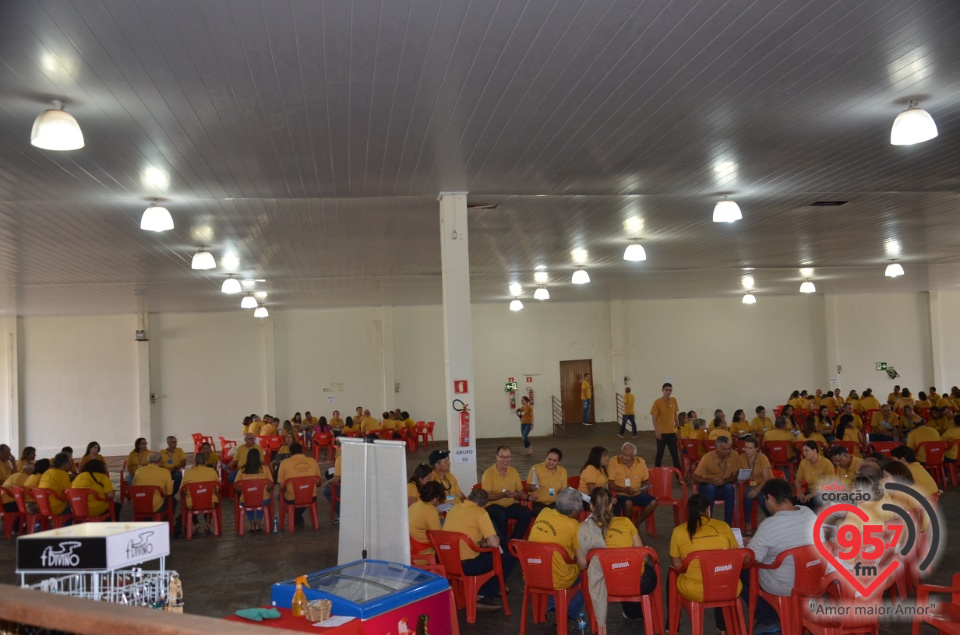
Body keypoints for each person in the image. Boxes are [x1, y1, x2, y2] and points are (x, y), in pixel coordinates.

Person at [577, 487, 656, 632]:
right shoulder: (626, 522)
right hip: (635, 582)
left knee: (615, 569)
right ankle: (637, 613)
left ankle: (626, 612)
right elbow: (643, 558)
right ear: (610, 505)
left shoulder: (583, 529)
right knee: (643, 570)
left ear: (591, 506)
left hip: (606, 583)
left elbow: (582, 564)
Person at [746, 479, 819, 634]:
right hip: (813, 578)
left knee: (741, 573)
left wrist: (748, 545)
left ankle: (769, 619)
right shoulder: (808, 513)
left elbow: (751, 559)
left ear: (770, 498)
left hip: (784, 585)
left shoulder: (769, 525)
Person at [669, 493, 741, 634]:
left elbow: (677, 565)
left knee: (671, 574)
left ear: (688, 511)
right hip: (728, 587)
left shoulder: (678, 531)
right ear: (708, 509)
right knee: (720, 571)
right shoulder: (724, 526)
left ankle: (671, 625)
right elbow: (736, 555)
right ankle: (723, 628)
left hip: (696, 590)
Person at [443, 488, 515, 610]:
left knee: (487, 557)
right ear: (485, 505)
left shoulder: (454, 509)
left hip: (448, 562)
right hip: (467, 565)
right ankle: (484, 595)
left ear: (469, 497)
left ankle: (490, 588)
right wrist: (487, 542)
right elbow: (494, 543)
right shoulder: (480, 513)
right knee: (509, 558)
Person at [529, 488, 584, 624]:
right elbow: (582, 563)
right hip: (557, 578)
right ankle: (567, 615)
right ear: (573, 512)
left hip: (532, 573)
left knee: (555, 565)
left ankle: (553, 609)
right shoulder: (574, 526)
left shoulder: (544, 512)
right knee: (591, 576)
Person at [482, 446, 534, 544]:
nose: (506, 460)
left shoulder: (513, 471)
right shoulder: (488, 474)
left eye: (508, 457)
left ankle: (513, 541)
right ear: (496, 457)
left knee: (527, 513)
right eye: (503, 457)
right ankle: (503, 543)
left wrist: (528, 497)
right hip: (493, 506)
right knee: (501, 515)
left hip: (510, 505)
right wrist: (503, 495)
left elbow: (520, 492)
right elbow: (486, 496)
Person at [607, 442, 657, 526]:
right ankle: (628, 526)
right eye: (623, 454)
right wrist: (625, 489)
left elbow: (646, 480)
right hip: (620, 495)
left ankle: (635, 525)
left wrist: (645, 486)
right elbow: (610, 484)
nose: (625, 457)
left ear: (634, 456)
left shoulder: (640, 461)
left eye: (628, 455)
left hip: (637, 494)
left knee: (653, 502)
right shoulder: (613, 461)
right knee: (628, 503)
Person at [693, 436, 737, 525]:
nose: (728, 451)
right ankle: (709, 522)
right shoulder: (707, 458)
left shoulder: (734, 455)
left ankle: (728, 523)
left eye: (729, 448)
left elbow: (735, 476)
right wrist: (711, 481)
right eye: (724, 449)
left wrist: (724, 480)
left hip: (723, 486)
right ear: (717, 448)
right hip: (707, 487)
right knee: (710, 488)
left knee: (729, 487)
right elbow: (695, 477)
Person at [276, 443, 321, 527]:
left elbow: (281, 486)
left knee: (281, 496)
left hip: (292, 497)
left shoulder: (284, 463)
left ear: (290, 452)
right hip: (310, 496)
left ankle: (296, 517)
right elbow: (318, 482)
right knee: (304, 496)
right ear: (302, 451)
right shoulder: (312, 461)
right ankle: (297, 518)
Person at [737, 435, 772, 535]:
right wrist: (740, 480)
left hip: (765, 484)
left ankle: (748, 522)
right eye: (745, 447)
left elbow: (767, 478)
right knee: (754, 494)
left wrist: (757, 490)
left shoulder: (762, 458)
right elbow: (739, 474)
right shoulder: (741, 458)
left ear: (756, 449)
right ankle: (770, 519)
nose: (747, 450)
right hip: (751, 484)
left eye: (750, 448)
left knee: (757, 494)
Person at [180, 451, 221, 535]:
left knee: (188, 499)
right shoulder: (212, 471)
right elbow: (217, 488)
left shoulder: (188, 473)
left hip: (192, 505)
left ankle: (196, 525)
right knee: (210, 496)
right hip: (210, 503)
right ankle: (208, 524)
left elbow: (182, 490)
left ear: (195, 462)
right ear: (206, 461)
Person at [236, 448, 272, 532]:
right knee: (263, 499)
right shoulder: (265, 468)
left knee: (246, 501)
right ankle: (259, 521)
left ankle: (252, 522)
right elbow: (270, 485)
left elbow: (236, 486)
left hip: (246, 500)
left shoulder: (242, 470)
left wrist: (246, 491)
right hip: (263, 500)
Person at [795, 440, 835, 509]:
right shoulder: (803, 463)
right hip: (810, 494)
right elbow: (797, 480)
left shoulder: (826, 463)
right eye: (803, 451)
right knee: (794, 502)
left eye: (806, 450)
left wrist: (813, 494)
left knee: (812, 506)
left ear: (815, 450)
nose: (804, 453)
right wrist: (800, 492)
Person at [526, 448, 567, 514]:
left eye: (554, 460)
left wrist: (563, 492)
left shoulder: (563, 471)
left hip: (554, 503)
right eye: (549, 459)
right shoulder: (536, 468)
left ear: (559, 462)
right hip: (538, 503)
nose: (551, 462)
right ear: (546, 458)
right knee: (547, 515)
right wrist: (531, 487)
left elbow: (563, 489)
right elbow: (528, 487)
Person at [650, 382, 681, 468]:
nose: (668, 392)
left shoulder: (673, 400)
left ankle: (679, 476)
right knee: (660, 454)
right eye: (666, 390)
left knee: (675, 454)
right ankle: (657, 473)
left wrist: (678, 427)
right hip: (661, 433)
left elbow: (675, 415)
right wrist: (657, 431)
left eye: (670, 390)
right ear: (662, 390)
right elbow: (654, 417)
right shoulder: (657, 402)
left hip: (671, 432)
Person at [408, 481, 443, 555]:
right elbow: (438, 537)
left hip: (412, 552)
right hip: (423, 553)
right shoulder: (431, 510)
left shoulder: (414, 506)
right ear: (434, 499)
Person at [38, 453, 73, 517]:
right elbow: (68, 493)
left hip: (43, 506)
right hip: (57, 508)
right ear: (63, 464)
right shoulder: (63, 474)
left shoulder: (47, 472)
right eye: (68, 463)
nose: (70, 465)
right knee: (81, 506)